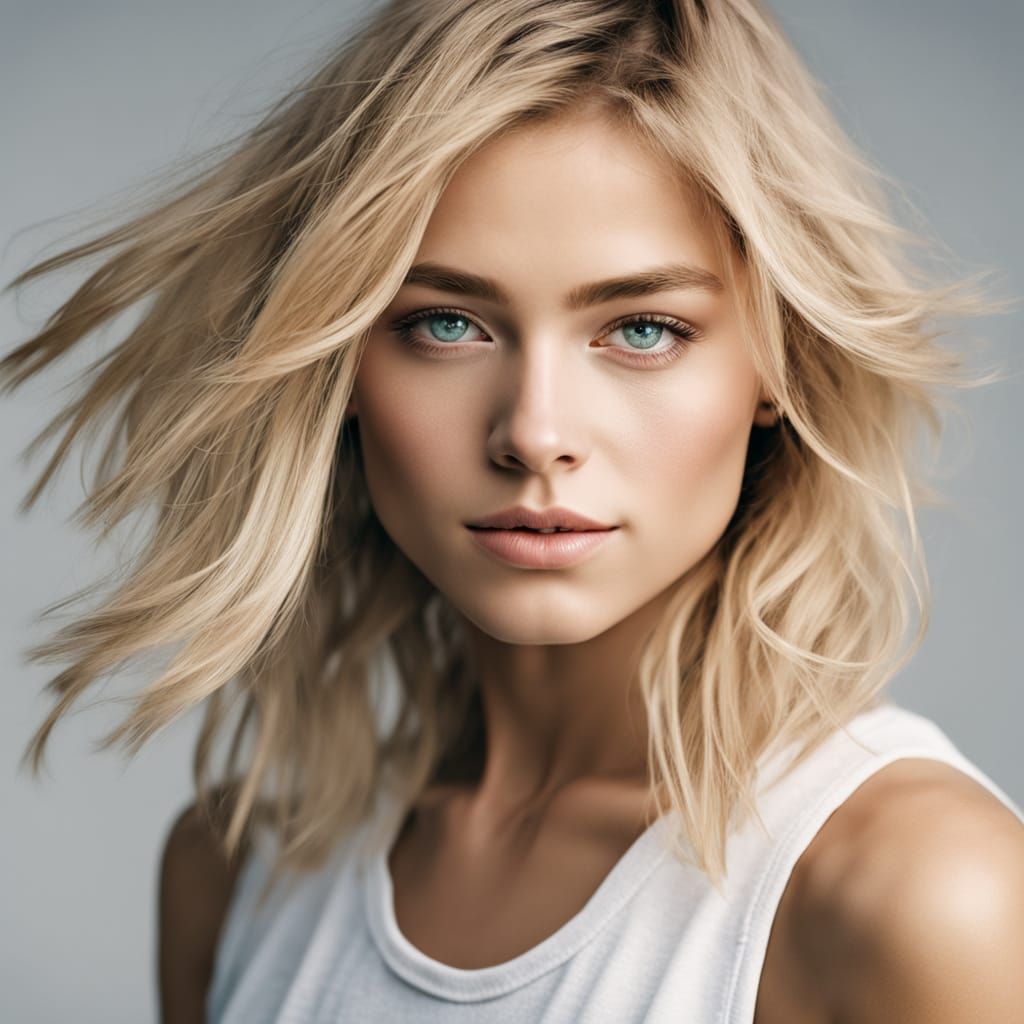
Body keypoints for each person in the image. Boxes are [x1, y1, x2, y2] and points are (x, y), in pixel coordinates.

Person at [4, 0, 1023, 1021]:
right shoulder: (236, 874)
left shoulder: (919, 895)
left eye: (643, 329)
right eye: (446, 323)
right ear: (341, 362)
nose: (535, 434)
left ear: (775, 364)